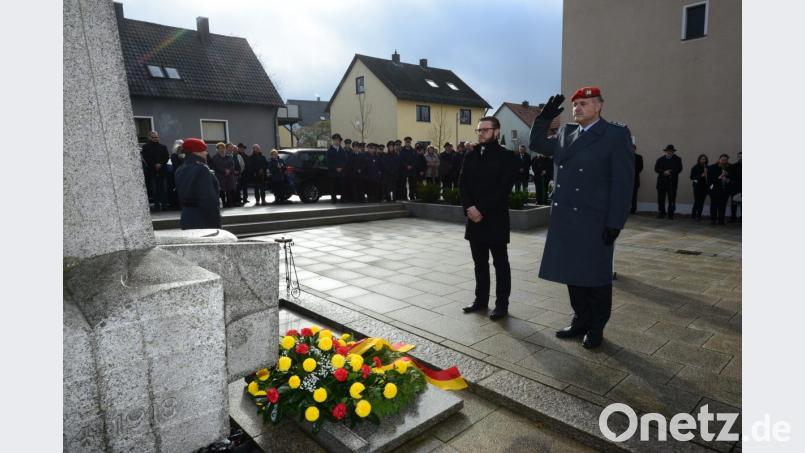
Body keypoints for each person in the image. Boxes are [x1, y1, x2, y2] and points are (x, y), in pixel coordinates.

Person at [528, 88, 634, 349]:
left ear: (598, 107)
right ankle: (580, 319)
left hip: (594, 219)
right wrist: (544, 118)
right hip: (565, 217)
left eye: (584, 103)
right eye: (575, 104)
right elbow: (537, 144)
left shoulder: (615, 134)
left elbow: (623, 183)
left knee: (596, 276)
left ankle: (596, 326)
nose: (577, 108)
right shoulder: (566, 133)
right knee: (572, 273)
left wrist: (615, 222)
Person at [460, 116, 518, 320]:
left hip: (495, 219)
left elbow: (503, 189)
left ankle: (502, 304)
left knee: (500, 263)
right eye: (479, 130)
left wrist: (480, 209)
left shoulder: (507, 156)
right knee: (479, 263)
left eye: (485, 129)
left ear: (497, 131)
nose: (481, 133)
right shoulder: (471, 155)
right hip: (474, 220)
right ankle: (480, 300)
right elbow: (463, 184)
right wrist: (469, 207)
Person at [174, 138, 221, 229]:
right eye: (204, 150)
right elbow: (208, 199)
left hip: (186, 216)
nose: (206, 153)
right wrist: (216, 222)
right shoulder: (202, 169)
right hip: (203, 217)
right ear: (196, 152)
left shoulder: (180, 169)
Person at [141, 130, 170, 211]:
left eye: (156, 137)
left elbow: (166, 157)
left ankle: (164, 205)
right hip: (152, 171)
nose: (155, 139)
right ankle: (157, 206)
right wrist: (154, 165)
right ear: (149, 137)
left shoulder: (163, 147)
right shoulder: (145, 147)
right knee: (154, 190)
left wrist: (160, 164)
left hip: (163, 171)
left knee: (164, 189)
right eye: (153, 137)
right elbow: (146, 158)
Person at [654, 144, 683, 219]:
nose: (669, 152)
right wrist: (663, 172)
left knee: (672, 199)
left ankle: (671, 214)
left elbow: (679, 169)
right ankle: (661, 213)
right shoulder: (660, 159)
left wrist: (671, 172)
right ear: (665, 151)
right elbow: (656, 169)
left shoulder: (677, 159)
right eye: (668, 151)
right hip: (662, 182)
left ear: (673, 152)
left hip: (672, 183)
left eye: (671, 151)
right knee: (661, 199)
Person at [708, 154, 731, 225]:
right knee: (714, 205)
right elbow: (710, 180)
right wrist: (720, 177)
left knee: (723, 206)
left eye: (725, 160)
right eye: (722, 160)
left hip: (725, 191)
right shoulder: (712, 167)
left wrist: (727, 178)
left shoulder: (730, 168)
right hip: (714, 190)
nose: (723, 162)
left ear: (727, 161)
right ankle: (713, 220)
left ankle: (721, 220)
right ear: (719, 160)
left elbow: (733, 178)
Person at [211, 142, 237, 207]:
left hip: (229, 176)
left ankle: (230, 203)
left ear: (225, 149)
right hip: (220, 176)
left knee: (229, 189)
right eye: (219, 148)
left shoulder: (229, 156)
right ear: (217, 149)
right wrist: (224, 171)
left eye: (222, 148)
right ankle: (224, 203)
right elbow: (216, 166)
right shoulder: (215, 157)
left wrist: (229, 170)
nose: (221, 150)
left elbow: (232, 165)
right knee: (222, 190)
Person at [326, 133, 347, 203]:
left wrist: (341, 167)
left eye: (338, 140)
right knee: (333, 187)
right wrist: (336, 168)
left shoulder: (343, 151)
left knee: (342, 186)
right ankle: (333, 199)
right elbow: (328, 162)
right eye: (335, 140)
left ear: (340, 141)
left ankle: (343, 198)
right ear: (333, 141)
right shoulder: (329, 151)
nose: (337, 141)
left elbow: (345, 161)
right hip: (333, 172)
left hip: (341, 172)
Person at [689, 154, 710, 220]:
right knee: (697, 201)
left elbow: (710, 177)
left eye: (705, 159)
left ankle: (699, 215)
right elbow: (692, 177)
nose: (704, 160)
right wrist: (701, 175)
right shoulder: (695, 167)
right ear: (699, 159)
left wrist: (707, 175)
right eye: (702, 159)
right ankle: (693, 214)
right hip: (697, 187)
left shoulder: (707, 167)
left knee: (702, 201)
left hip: (705, 186)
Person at [729, 151, 741, 221]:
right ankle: (733, 217)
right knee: (734, 203)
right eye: (739, 157)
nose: (741, 158)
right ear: (738, 157)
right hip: (735, 188)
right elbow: (731, 176)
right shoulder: (733, 166)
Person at [631, 143, 643, 214]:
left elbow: (640, 168)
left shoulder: (639, 157)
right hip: (626, 181)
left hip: (635, 180)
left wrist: (632, 171)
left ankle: (633, 210)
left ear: (635, 149)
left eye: (633, 148)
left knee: (634, 196)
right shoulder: (625, 156)